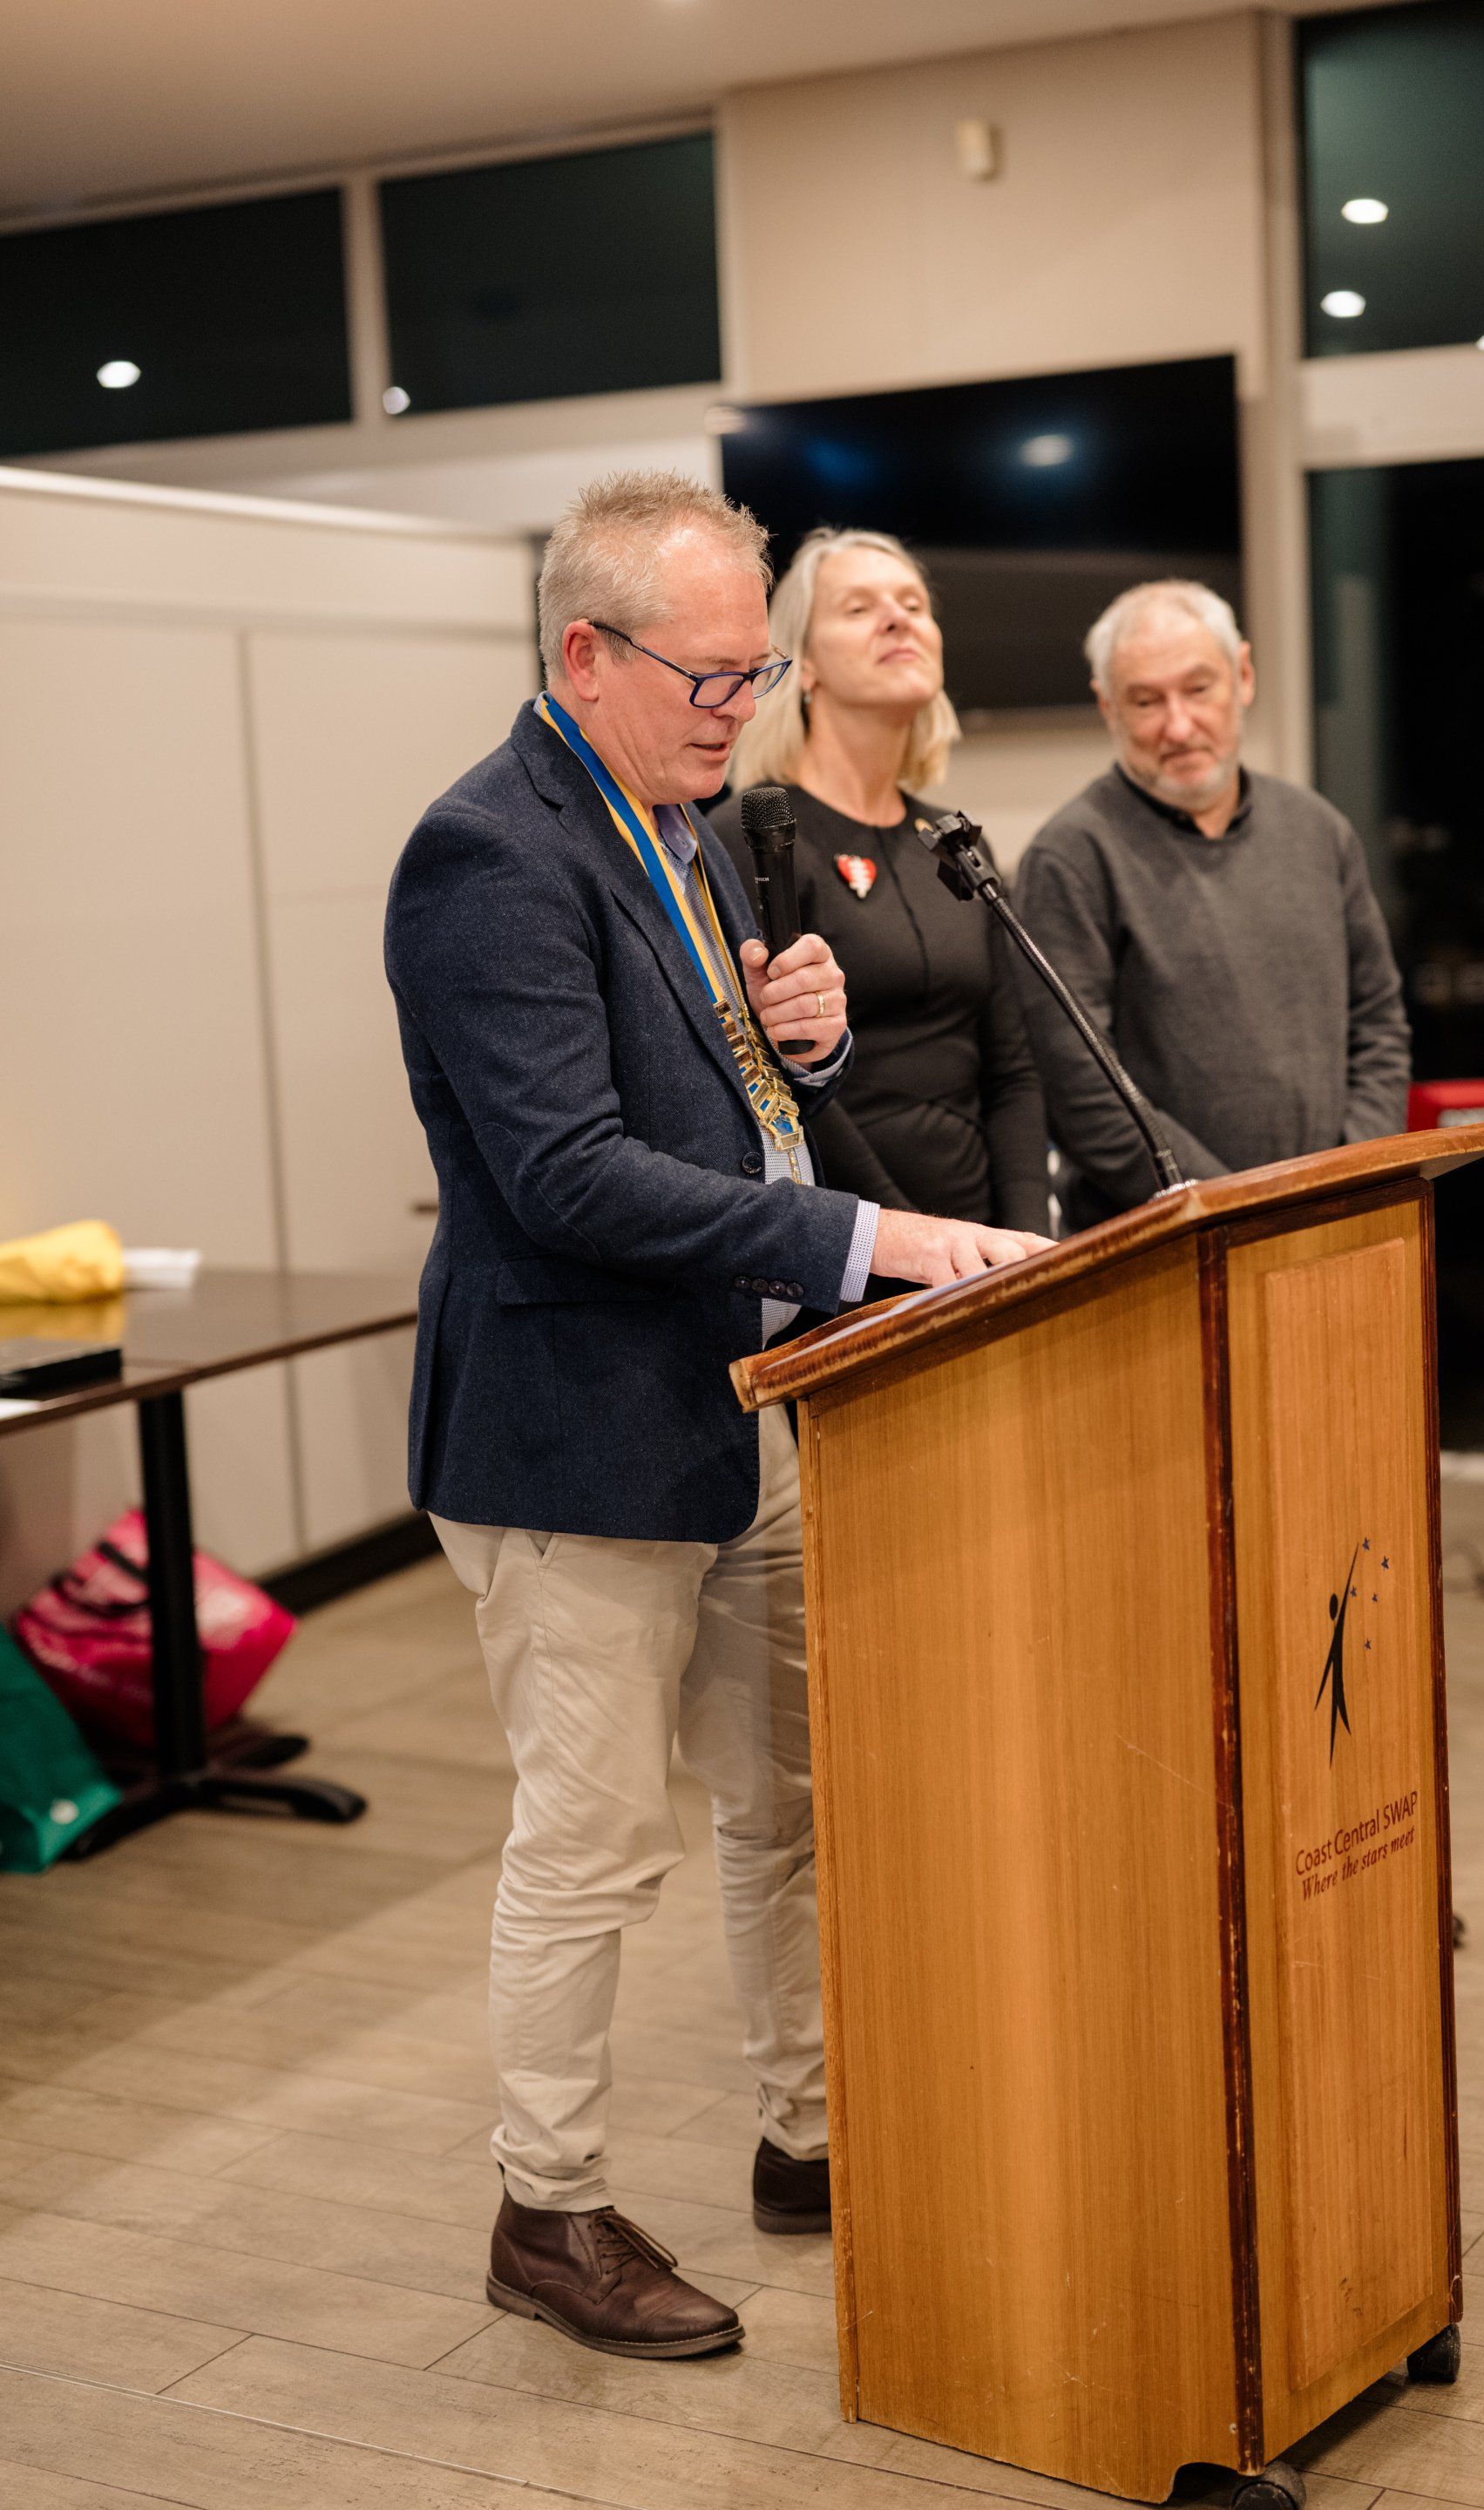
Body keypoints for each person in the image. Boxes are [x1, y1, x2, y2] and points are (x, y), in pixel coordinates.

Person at [384, 471, 1049, 2364]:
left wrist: (804, 1040)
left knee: (791, 1807)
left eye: (757, 672)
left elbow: (715, 1094)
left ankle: (808, 2132)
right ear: (581, 650)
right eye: (708, 673)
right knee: (594, 1846)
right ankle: (549, 2206)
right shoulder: (490, 854)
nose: (737, 709)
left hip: (735, 1394)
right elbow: (570, 1174)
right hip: (570, 1429)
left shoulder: (671, 820)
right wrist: (869, 1233)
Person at [1013, 580, 1411, 1224]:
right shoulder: (1072, 856)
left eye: (1199, 690)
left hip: (1336, 1226)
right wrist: (1239, 1208)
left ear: (1244, 676)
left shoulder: (1319, 831)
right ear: (1108, 706)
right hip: (1159, 1250)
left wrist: (1347, 1179)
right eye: (1145, 701)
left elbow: (1378, 1025)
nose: (1179, 725)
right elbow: (1080, 1086)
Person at [709, 529, 1051, 1235]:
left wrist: (1027, 1242)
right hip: (853, 1251)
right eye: (859, 608)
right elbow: (774, 1085)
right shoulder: (752, 840)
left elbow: (1014, 1071)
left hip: (985, 1241)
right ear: (802, 665)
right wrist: (903, 1243)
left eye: (914, 605)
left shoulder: (954, 841)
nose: (899, 619)